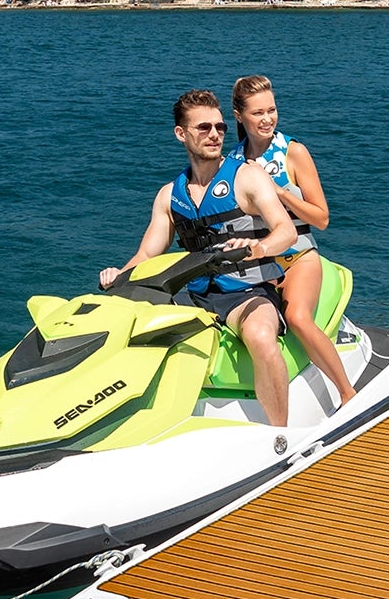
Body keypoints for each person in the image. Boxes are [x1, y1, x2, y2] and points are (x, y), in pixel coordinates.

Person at [101, 89, 298, 427]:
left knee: (262, 338)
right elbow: (149, 253)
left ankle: (280, 435)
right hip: (194, 296)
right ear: (181, 134)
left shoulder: (247, 178)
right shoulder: (169, 195)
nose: (214, 135)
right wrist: (121, 275)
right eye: (203, 128)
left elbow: (286, 231)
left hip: (245, 293)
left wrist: (260, 247)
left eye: (220, 128)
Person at [228, 75, 358, 408]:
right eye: (257, 113)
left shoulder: (293, 152)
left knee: (298, 317)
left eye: (271, 110)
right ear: (239, 115)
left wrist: (281, 193)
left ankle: (347, 393)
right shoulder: (232, 163)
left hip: (299, 257)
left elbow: (322, 218)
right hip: (258, 262)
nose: (267, 119)